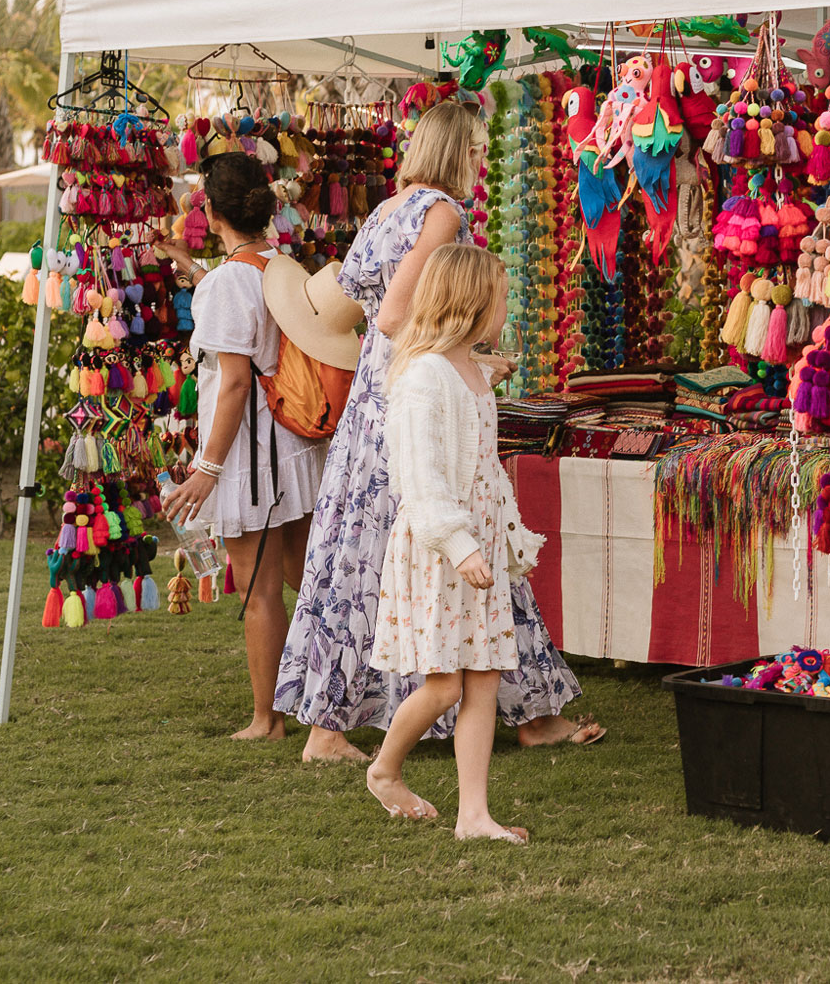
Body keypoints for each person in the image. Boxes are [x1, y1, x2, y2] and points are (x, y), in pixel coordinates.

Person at [274, 100, 601, 764]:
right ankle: (527, 713)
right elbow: (398, 314)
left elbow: (375, 307)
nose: (481, 163)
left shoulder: (387, 208)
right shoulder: (443, 211)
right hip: (410, 393)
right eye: (477, 151)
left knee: (361, 558)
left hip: (374, 397)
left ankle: (328, 725)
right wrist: (465, 360)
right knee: (463, 535)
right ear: (460, 152)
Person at [365, 244, 539, 837]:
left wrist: (502, 535)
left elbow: (485, 468)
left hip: (479, 545)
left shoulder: (469, 369)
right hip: (443, 552)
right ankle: (385, 769)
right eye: (501, 297)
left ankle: (474, 815)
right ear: (471, 302)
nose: (507, 307)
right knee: (443, 685)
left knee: (484, 674)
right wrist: (459, 543)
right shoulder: (425, 377)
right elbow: (421, 475)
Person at [158, 152, 328, 741]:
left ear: (209, 208)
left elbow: (232, 381)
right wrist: (185, 263)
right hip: (290, 446)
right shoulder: (277, 263)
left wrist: (206, 469)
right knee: (306, 575)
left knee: (257, 587)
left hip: (248, 454)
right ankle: (334, 695)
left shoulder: (230, 281)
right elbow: (241, 301)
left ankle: (268, 719)